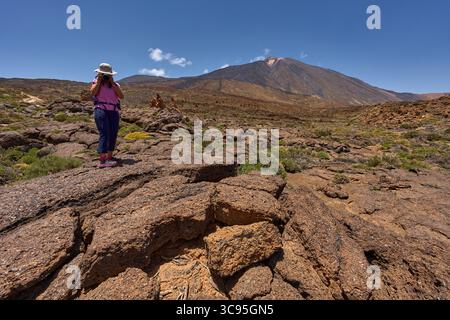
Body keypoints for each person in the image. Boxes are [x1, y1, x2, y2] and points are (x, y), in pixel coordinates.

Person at [90, 63, 124, 168]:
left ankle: (110, 157)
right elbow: (92, 93)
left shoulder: (115, 85)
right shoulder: (96, 82)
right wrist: (99, 81)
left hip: (113, 110)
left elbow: (121, 96)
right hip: (101, 109)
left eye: (107, 74)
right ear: (99, 74)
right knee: (104, 132)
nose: (105, 76)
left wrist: (112, 82)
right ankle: (102, 160)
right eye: (103, 74)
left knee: (113, 133)